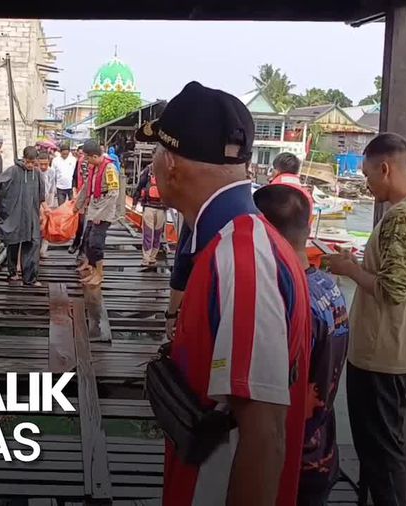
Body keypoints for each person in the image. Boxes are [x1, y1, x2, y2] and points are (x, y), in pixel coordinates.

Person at [137, 82, 311, 506]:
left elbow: (264, 436)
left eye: (156, 152)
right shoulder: (231, 243)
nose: (153, 164)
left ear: (171, 163)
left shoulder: (241, 257)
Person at [325, 133, 406, 506]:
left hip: (380, 357)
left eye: (367, 175)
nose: (367, 183)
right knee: (389, 448)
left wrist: (348, 269)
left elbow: (393, 289)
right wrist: (361, 265)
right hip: (405, 352)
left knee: (380, 457)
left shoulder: (401, 217)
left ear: (386, 168)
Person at [255, 184, 350, 506]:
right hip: (322, 450)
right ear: (307, 228)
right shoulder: (328, 286)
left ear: (263, 232)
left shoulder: (286, 300)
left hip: (291, 459)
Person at [0, 146, 47, 286]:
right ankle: (12, 272)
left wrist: (44, 210)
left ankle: (30, 278)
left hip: (31, 216)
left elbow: (41, 196)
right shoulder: (14, 170)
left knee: (32, 244)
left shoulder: (37, 174)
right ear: (24, 159)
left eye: (33, 162)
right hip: (15, 213)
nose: (30, 165)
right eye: (28, 162)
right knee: (13, 242)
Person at [74, 140, 119, 286]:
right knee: (88, 239)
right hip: (94, 206)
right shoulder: (95, 168)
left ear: (94, 156)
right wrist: (77, 205)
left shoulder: (109, 168)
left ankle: (99, 274)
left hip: (104, 209)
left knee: (96, 243)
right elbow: (87, 187)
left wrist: (100, 214)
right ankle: (92, 270)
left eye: (87, 158)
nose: (86, 161)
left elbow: (113, 194)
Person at [132, 162, 167, 269]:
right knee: (150, 233)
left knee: (155, 233)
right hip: (151, 206)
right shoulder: (149, 170)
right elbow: (140, 185)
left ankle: (151, 258)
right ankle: (147, 258)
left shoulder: (166, 170)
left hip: (158, 207)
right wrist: (135, 201)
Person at [270, 151, 315, 216]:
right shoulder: (307, 196)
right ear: (296, 171)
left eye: (272, 169)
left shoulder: (270, 192)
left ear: (277, 171)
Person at [67, 147, 92, 255]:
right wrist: (74, 190)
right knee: (80, 222)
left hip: (93, 198)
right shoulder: (80, 161)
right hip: (81, 194)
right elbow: (75, 177)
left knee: (89, 225)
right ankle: (76, 242)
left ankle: (83, 251)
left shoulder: (100, 165)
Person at [37, 151, 54, 258]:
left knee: (46, 226)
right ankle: (35, 250)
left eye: (45, 164)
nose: (43, 167)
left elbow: (52, 189)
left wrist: (49, 205)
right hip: (36, 202)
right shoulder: (35, 171)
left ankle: (43, 250)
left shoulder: (51, 172)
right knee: (38, 225)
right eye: (41, 164)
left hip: (47, 200)